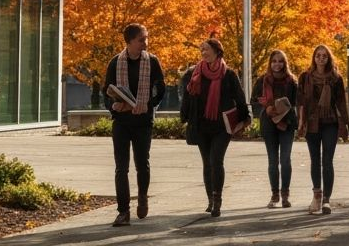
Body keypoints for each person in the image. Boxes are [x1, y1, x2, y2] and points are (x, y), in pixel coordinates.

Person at [103, 23, 166, 227]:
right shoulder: (115, 63)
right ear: (129, 42)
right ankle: (123, 212)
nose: (145, 43)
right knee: (121, 168)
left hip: (142, 122)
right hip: (121, 122)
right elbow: (107, 91)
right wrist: (115, 106)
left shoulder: (152, 62)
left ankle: (143, 196)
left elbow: (160, 88)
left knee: (142, 164)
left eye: (146, 38)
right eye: (141, 39)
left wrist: (148, 104)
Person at [181, 36, 249, 218]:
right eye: (201, 50)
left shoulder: (229, 74)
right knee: (207, 162)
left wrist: (245, 119)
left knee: (216, 160)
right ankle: (210, 199)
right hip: (201, 125)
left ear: (217, 51)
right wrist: (185, 117)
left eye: (206, 49)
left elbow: (240, 98)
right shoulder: (193, 73)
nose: (203, 53)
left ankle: (217, 200)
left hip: (222, 126)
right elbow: (187, 97)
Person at [297, 44, 349, 215]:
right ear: (314, 57)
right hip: (312, 123)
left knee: (327, 160)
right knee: (315, 160)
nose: (320, 58)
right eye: (318, 55)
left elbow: (341, 102)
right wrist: (301, 123)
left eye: (324, 56)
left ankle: (327, 200)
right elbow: (301, 102)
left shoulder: (336, 78)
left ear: (328, 58)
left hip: (330, 123)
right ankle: (317, 196)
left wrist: (345, 124)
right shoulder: (305, 77)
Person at [252, 49, 298, 208]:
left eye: (280, 61)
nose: (277, 64)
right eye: (274, 61)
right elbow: (254, 102)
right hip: (269, 124)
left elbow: (298, 103)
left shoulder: (292, 81)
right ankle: (274, 195)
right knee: (273, 160)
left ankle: (285, 194)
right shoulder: (262, 81)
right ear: (270, 63)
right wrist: (266, 109)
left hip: (287, 124)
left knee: (285, 159)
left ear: (285, 63)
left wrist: (285, 109)